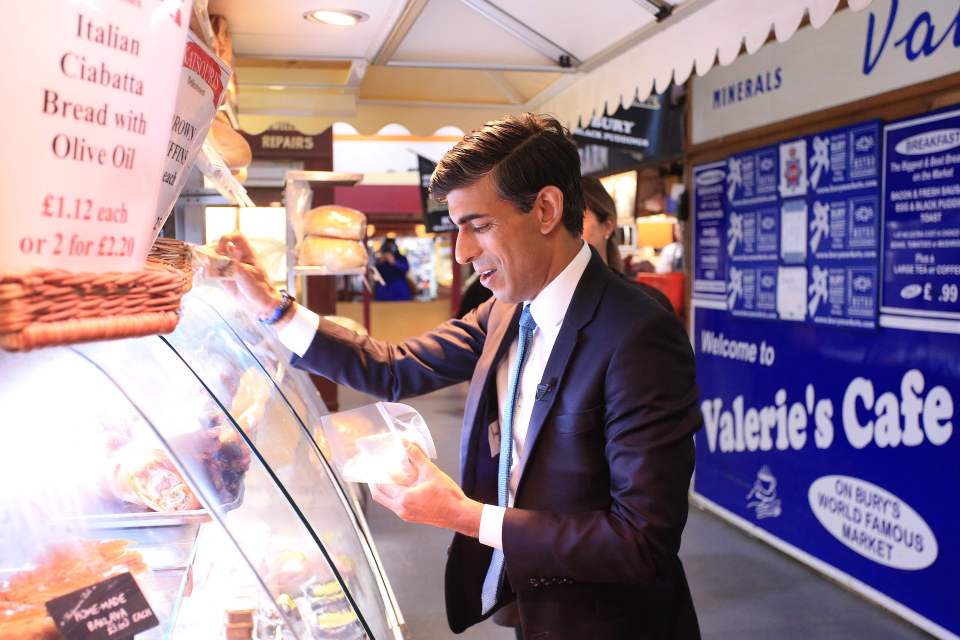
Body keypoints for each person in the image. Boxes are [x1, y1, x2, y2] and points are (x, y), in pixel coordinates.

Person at [218, 113, 702, 639]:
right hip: (532, 604)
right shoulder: (505, 309)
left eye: (479, 225)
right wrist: (272, 308)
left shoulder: (637, 332)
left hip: (612, 622)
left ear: (545, 209)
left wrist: (467, 517)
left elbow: (640, 541)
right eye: (457, 229)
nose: (462, 252)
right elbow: (394, 367)